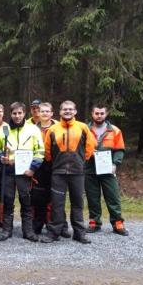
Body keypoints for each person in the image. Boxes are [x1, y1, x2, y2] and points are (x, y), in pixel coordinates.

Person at [0, 102, 44, 241]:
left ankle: (28, 231)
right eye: (14, 113)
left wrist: (33, 169)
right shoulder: (4, 130)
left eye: (20, 113)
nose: (17, 116)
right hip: (8, 171)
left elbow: (39, 151)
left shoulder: (33, 130)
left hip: (25, 172)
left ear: (24, 113)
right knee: (8, 200)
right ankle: (7, 230)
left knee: (26, 201)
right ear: (11, 114)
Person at [44, 101, 97, 243]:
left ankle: (79, 233)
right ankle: (54, 232)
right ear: (60, 112)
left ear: (75, 111)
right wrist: (55, 163)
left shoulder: (83, 127)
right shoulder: (53, 129)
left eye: (70, 109)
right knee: (57, 204)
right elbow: (47, 151)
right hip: (58, 172)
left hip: (77, 172)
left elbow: (90, 147)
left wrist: (80, 161)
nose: (67, 111)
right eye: (64, 109)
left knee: (78, 203)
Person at [85, 104, 129, 235]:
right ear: (92, 114)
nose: (99, 116)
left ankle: (118, 224)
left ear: (106, 114)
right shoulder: (84, 129)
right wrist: (88, 153)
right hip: (89, 169)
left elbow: (120, 149)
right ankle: (94, 223)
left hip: (108, 169)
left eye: (102, 113)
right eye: (96, 113)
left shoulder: (115, 130)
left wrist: (115, 164)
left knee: (113, 197)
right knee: (92, 197)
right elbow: (79, 148)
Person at [31, 102, 66, 236]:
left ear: (52, 113)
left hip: (55, 166)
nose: (44, 114)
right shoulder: (32, 129)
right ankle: (37, 224)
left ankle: (60, 225)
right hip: (38, 166)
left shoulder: (59, 128)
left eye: (47, 111)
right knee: (38, 196)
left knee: (56, 196)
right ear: (38, 113)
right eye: (42, 111)